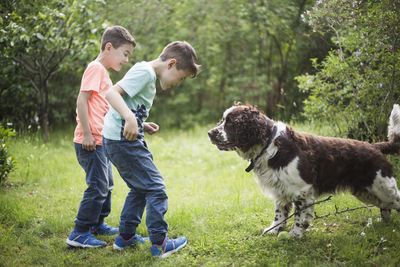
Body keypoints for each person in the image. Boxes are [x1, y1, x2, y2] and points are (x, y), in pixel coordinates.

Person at [102, 41, 200, 257]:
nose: (178, 83)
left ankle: (125, 237)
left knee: (139, 188)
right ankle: (159, 244)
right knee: (156, 188)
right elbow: (111, 94)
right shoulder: (145, 72)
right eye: (181, 77)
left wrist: (139, 123)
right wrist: (129, 118)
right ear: (171, 64)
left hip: (116, 140)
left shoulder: (147, 73)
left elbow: (127, 102)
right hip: (123, 142)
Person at [66, 26, 136, 248]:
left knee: (106, 184)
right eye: (125, 53)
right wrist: (86, 133)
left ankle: (97, 224)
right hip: (90, 141)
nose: (126, 60)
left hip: (100, 140)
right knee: (97, 186)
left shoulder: (103, 73)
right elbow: (81, 101)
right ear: (109, 47)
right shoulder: (95, 68)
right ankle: (79, 232)